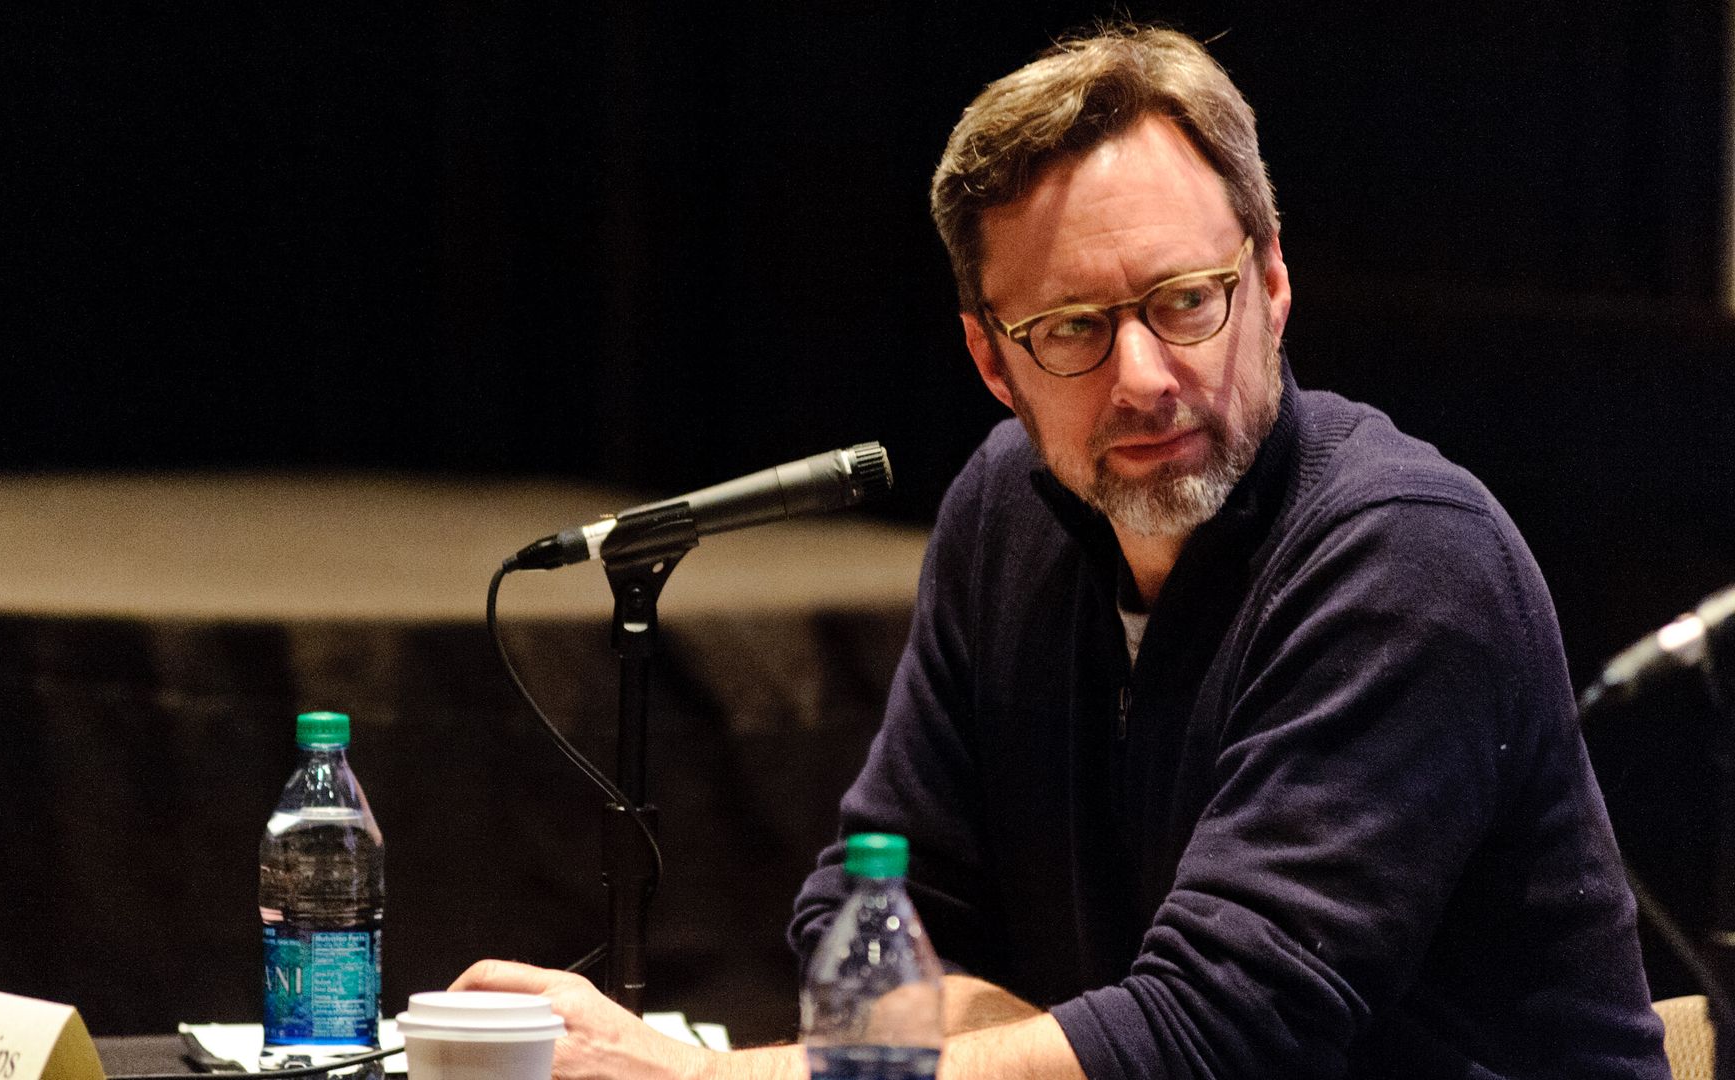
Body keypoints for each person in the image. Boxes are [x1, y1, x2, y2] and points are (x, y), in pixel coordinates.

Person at [454, 25, 1671, 1079]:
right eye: (1074, 328)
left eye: (1187, 300)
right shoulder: (1008, 513)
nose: (1145, 377)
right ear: (994, 363)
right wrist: (1086, 1045)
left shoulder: (1405, 563)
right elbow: (866, 916)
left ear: (1276, 287)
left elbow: (1217, 1042)